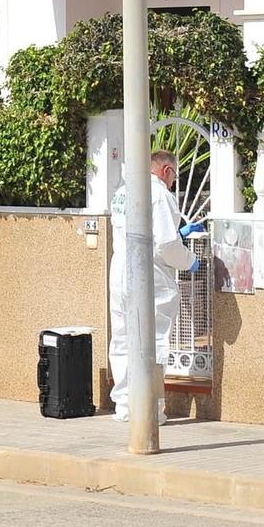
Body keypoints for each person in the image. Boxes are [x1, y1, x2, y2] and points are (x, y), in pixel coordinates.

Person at [107, 149, 195, 424]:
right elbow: (166, 245)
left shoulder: (123, 192)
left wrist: (176, 235)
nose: (173, 182)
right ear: (166, 171)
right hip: (149, 273)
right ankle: (151, 409)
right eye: (174, 176)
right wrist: (189, 260)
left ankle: (125, 406)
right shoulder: (159, 193)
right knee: (153, 340)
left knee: (122, 338)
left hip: (120, 271)